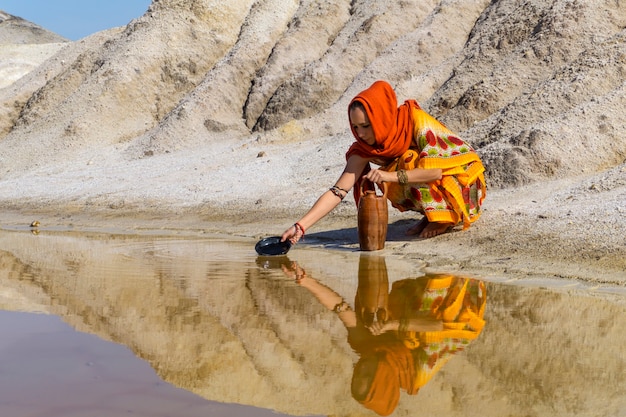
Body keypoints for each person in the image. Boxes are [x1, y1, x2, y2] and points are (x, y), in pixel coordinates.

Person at [281, 80, 486, 244]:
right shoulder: (363, 150)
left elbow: (436, 171)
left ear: (380, 118)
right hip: (431, 180)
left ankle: (444, 217)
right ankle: (431, 215)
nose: (360, 134)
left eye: (366, 126)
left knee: (408, 161)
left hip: (464, 182)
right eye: (355, 127)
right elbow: (338, 191)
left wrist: (390, 176)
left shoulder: (413, 120)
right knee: (394, 177)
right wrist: (300, 227)